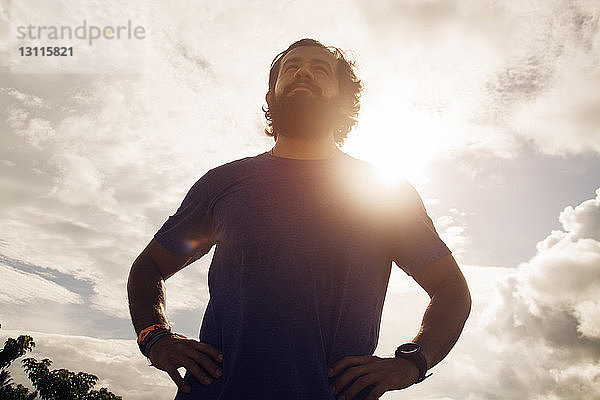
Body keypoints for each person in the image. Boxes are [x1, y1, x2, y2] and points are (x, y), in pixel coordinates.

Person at [127, 38, 471, 400]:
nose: (303, 72)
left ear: (341, 99)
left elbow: (451, 288)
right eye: (290, 68)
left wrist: (413, 362)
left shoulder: (383, 193)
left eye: (320, 69)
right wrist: (154, 336)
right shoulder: (223, 185)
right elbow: (150, 265)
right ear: (271, 95)